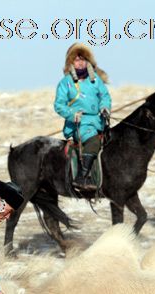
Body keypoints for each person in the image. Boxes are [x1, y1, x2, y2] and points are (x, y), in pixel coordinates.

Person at [54, 42, 111, 190]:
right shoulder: (65, 83)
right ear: (71, 62)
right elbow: (59, 105)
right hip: (79, 124)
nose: (80, 63)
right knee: (93, 141)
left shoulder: (95, 80)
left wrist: (105, 108)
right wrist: (72, 115)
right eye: (77, 60)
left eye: (83, 59)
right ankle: (81, 177)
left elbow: (105, 96)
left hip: (98, 121)